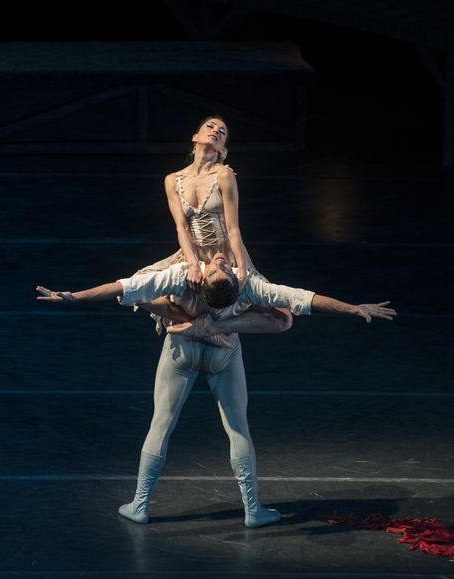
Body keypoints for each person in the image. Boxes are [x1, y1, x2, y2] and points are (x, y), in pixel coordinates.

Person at [36, 253, 396, 527]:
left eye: (218, 264)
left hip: (182, 350)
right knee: (237, 425)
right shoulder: (247, 284)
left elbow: (123, 287)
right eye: (219, 263)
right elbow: (304, 299)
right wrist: (352, 308)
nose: (220, 258)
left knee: (162, 423)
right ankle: (252, 508)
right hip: (224, 349)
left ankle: (141, 505)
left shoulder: (185, 275)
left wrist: (74, 297)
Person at [132, 116, 293, 341]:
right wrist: (192, 265)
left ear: (223, 147)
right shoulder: (172, 180)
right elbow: (181, 227)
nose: (216, 131)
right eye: (210, 126)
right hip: (192, 252)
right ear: (195, 137)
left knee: (283, 317)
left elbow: (233, 228)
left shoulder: (224, 175)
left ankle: (214, 326)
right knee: (135, 290)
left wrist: (243, 269)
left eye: (223, 131)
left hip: (226, 254)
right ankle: (190, 323)